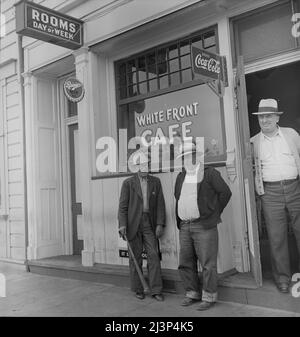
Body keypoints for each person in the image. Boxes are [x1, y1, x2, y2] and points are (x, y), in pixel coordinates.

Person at [174, 141, 232, 310]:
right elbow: (178, 199)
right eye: (184, 157)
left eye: (190, 155)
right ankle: (192, 293)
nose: (187, 159)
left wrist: (213, 213)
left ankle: (209, 296)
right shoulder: (180, 176)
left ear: (197, 156)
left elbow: (225, 193)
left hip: (204, 226)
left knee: (208, 263)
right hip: (185, 226)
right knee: (186, 262)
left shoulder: (210, 173)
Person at [251, 98, 300, 293]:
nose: (265, 120)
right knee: (277, 236)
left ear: (277, 117)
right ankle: (282, 279)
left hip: (295, 187)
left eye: (268, 116)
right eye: (261, 117)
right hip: (269, 192)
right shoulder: (253, 142)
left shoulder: (291, 134)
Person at [118, 149, 166, 301]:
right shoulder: (128, 183)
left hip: (148, 223)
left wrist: (160, 223)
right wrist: (122, 225)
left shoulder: (155, 182)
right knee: (135, 258)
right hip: (133, 224)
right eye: (141, 165)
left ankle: (156, 290)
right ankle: (138, 289)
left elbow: (160, 205)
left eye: (146, 164)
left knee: (153, 255)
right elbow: (123, 207)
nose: (144, 167)